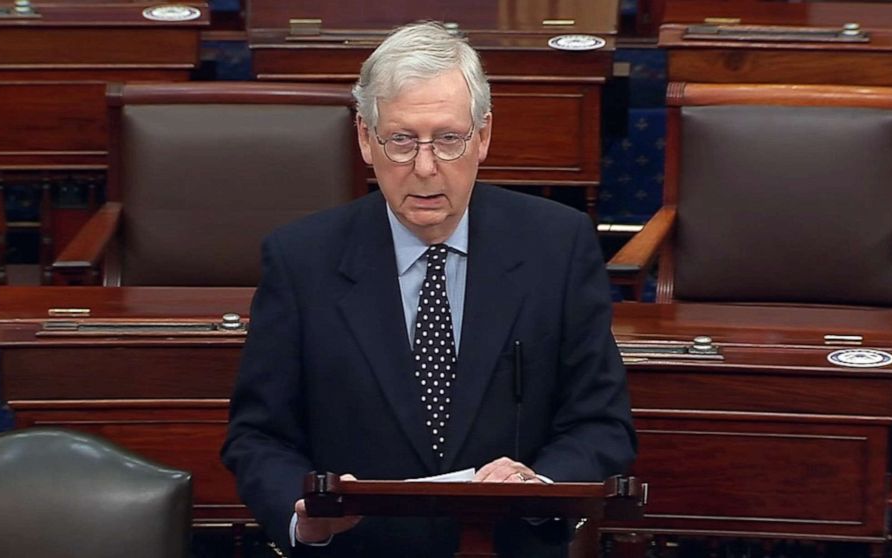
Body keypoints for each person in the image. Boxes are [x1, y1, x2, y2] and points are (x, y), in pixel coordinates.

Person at [221, 20, 636, 558]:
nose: (424, 168)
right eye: (400, 140)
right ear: (366, 140)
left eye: (447, 139)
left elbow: (602, 425)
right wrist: (306, 520)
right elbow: (258, 436)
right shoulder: (302, 260)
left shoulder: (557, 247)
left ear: (482, 136)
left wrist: (540, 486)